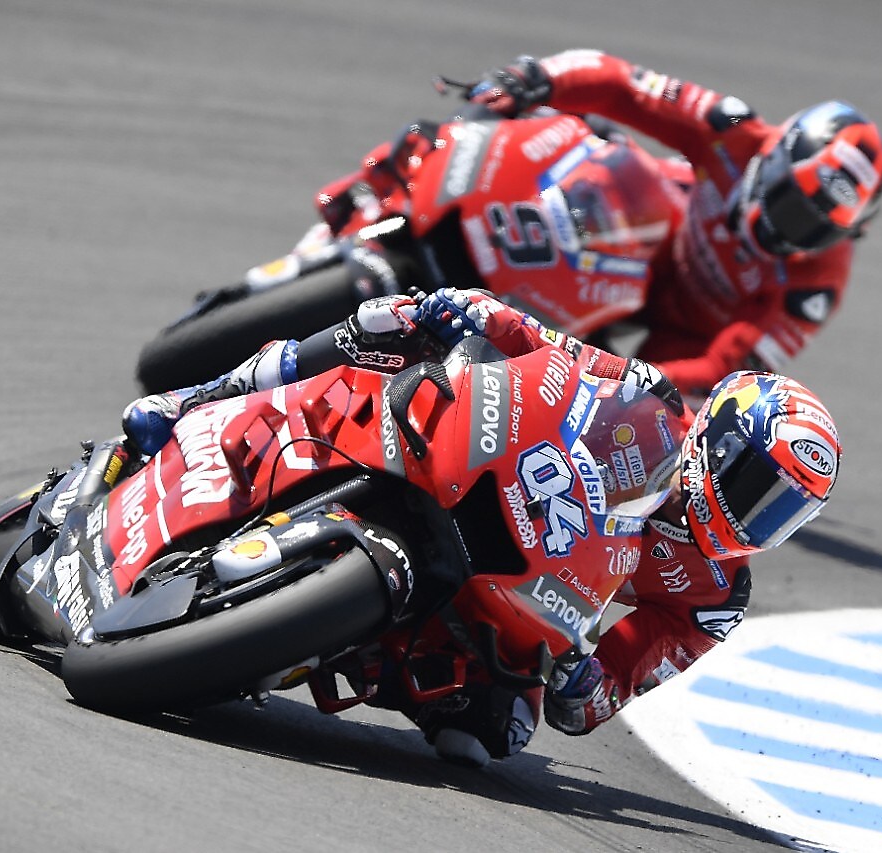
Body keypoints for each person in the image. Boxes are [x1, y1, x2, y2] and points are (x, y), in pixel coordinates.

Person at [123, 287, 841, 767]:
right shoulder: (648, 400)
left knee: (491, 735)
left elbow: (608, 690)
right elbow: (554, 351)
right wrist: (482, 314)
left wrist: (579, 676)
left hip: (529, 599)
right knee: (397, 321)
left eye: (783, 513)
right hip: (500, 484)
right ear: (717, 439)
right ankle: (202, 395)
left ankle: (304, 642)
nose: (756, 518)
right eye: (758, 488)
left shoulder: (716, 596)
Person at [465, 50, 882, 401]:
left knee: (663, 418)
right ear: (774, 158)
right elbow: (624, 85)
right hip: (648, 242)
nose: (787, 234)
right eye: (790, 207)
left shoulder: (815, 289)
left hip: (685, 336)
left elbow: (721, 367)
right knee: (589, 143)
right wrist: (536, 77)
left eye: (816, 231)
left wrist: (610, 380)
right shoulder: (733, 128)